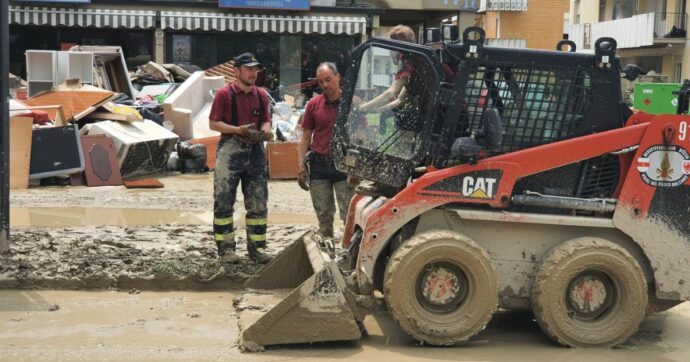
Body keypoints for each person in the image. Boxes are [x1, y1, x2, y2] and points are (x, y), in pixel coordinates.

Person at [209, 52, 274, 264]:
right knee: (224, 201)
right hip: (230, 149)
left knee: (258, 202)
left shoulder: (262, 95)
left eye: (255, 70)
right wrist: (239, 130)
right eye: (249, 69)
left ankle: (257, 248)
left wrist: (265, 132)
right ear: (236, 71)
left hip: (255, 151)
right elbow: (214, 124)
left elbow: (266, 120)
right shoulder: (224, 95)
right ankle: (226, 250)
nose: (253, 73)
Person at [297, 62, 354, 238]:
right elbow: (306, 136)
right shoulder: (313, 105)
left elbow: (359, 138)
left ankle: (350, 254)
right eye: (321, 82)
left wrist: (355, 168)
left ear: (338, 77)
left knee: (349, 213)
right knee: (323, 214)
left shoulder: (351, 104)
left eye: (328, 80)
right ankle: (328, 251)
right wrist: (300, 166)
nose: (325, 85)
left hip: (344, 164)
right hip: (319, 164)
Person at [358, 25, 417, 114]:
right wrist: (374, 109)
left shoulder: (410, 65)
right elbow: (401, 99)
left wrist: (363, 108)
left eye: (392, 46)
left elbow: (390, 93)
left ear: (400, 46)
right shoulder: (411, 62)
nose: (390, 50)